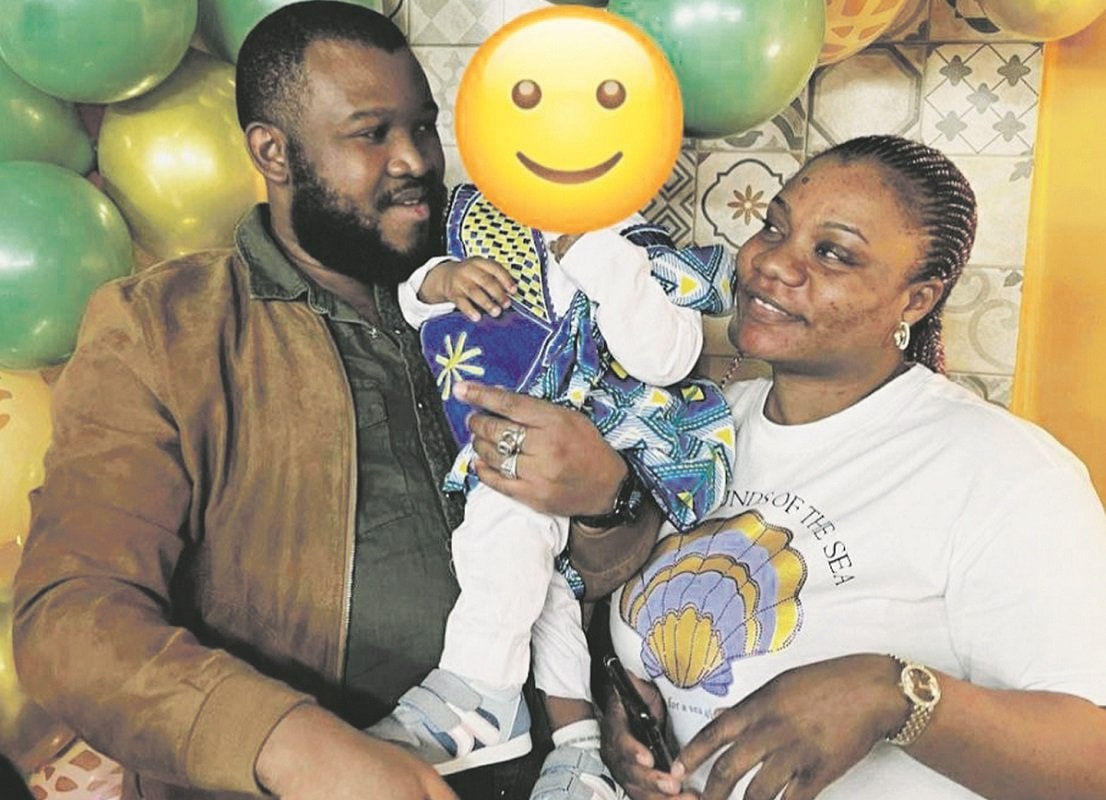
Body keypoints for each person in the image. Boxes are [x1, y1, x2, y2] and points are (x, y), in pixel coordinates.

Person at [10, 4, 660, 800]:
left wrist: (607, 500)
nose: (415, 159)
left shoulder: (497, 288)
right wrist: (294, 747)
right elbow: (70, 617)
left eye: (422, 128)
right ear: (273, 152)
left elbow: (586, 570)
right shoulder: (165, 328)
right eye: (371, 134)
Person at [599, 134, 1106, 800]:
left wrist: (893, 694)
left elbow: (1092, 760)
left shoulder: (1007, 472)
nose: (773, 263)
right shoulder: (699, 424)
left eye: (832, 252)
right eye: (773, 227)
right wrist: (622, 714)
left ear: (915, 300)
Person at [369, 181, 735, 797]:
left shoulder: (626, 236)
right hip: (511, 436)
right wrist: (442, 280)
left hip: (596, 441)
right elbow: (413, 303)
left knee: (501, 537)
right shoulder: (483, 212)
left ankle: (480, 688)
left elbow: (667, 358)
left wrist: (596, 254)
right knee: (548, 597)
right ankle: (580, 753)